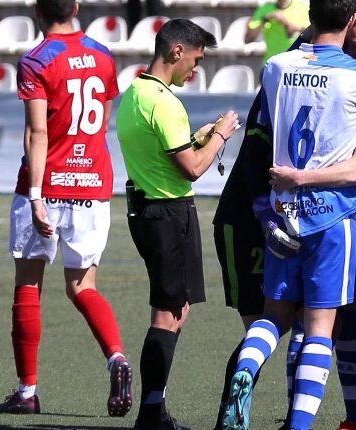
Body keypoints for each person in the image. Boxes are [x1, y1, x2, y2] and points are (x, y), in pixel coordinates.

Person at [221, 0, 356, 428]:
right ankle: (298, 426)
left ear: (310, 16)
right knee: (318, 329)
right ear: (353, 21)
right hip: (332, 217)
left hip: (283, 214)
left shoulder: (276, 67)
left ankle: (245, 369)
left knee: (273, 316)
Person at [0, 0, 132, 418]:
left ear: (36, 10)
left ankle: (27, 391)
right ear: (75, 7)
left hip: (48, 183)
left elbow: (38, 133)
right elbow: (100, 122)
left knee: (28, 285)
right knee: (83, 287)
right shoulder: (103, 55)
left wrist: (36, 196)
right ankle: (117, 359)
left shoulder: (36, 59)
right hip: (92, 184)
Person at [115, 18, 240, 430]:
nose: (196, 70)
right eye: (197, 60)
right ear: (177, 52)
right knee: (168, 314)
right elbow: (191, 169)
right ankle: (151, 413)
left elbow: (165, 154)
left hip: (148, 208)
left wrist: (199, 137)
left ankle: (155, 409)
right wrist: (221, 135)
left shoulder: (135, 91)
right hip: (168, 214)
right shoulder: (166, 102)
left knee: (175, 309)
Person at [246, 0, 310, 63]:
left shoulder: (301, 7)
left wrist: (287, 24)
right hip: (271, 63)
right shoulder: (264, 9)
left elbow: (312, 33)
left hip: (295, 63)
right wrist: (266, 18)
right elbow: (248, 38)